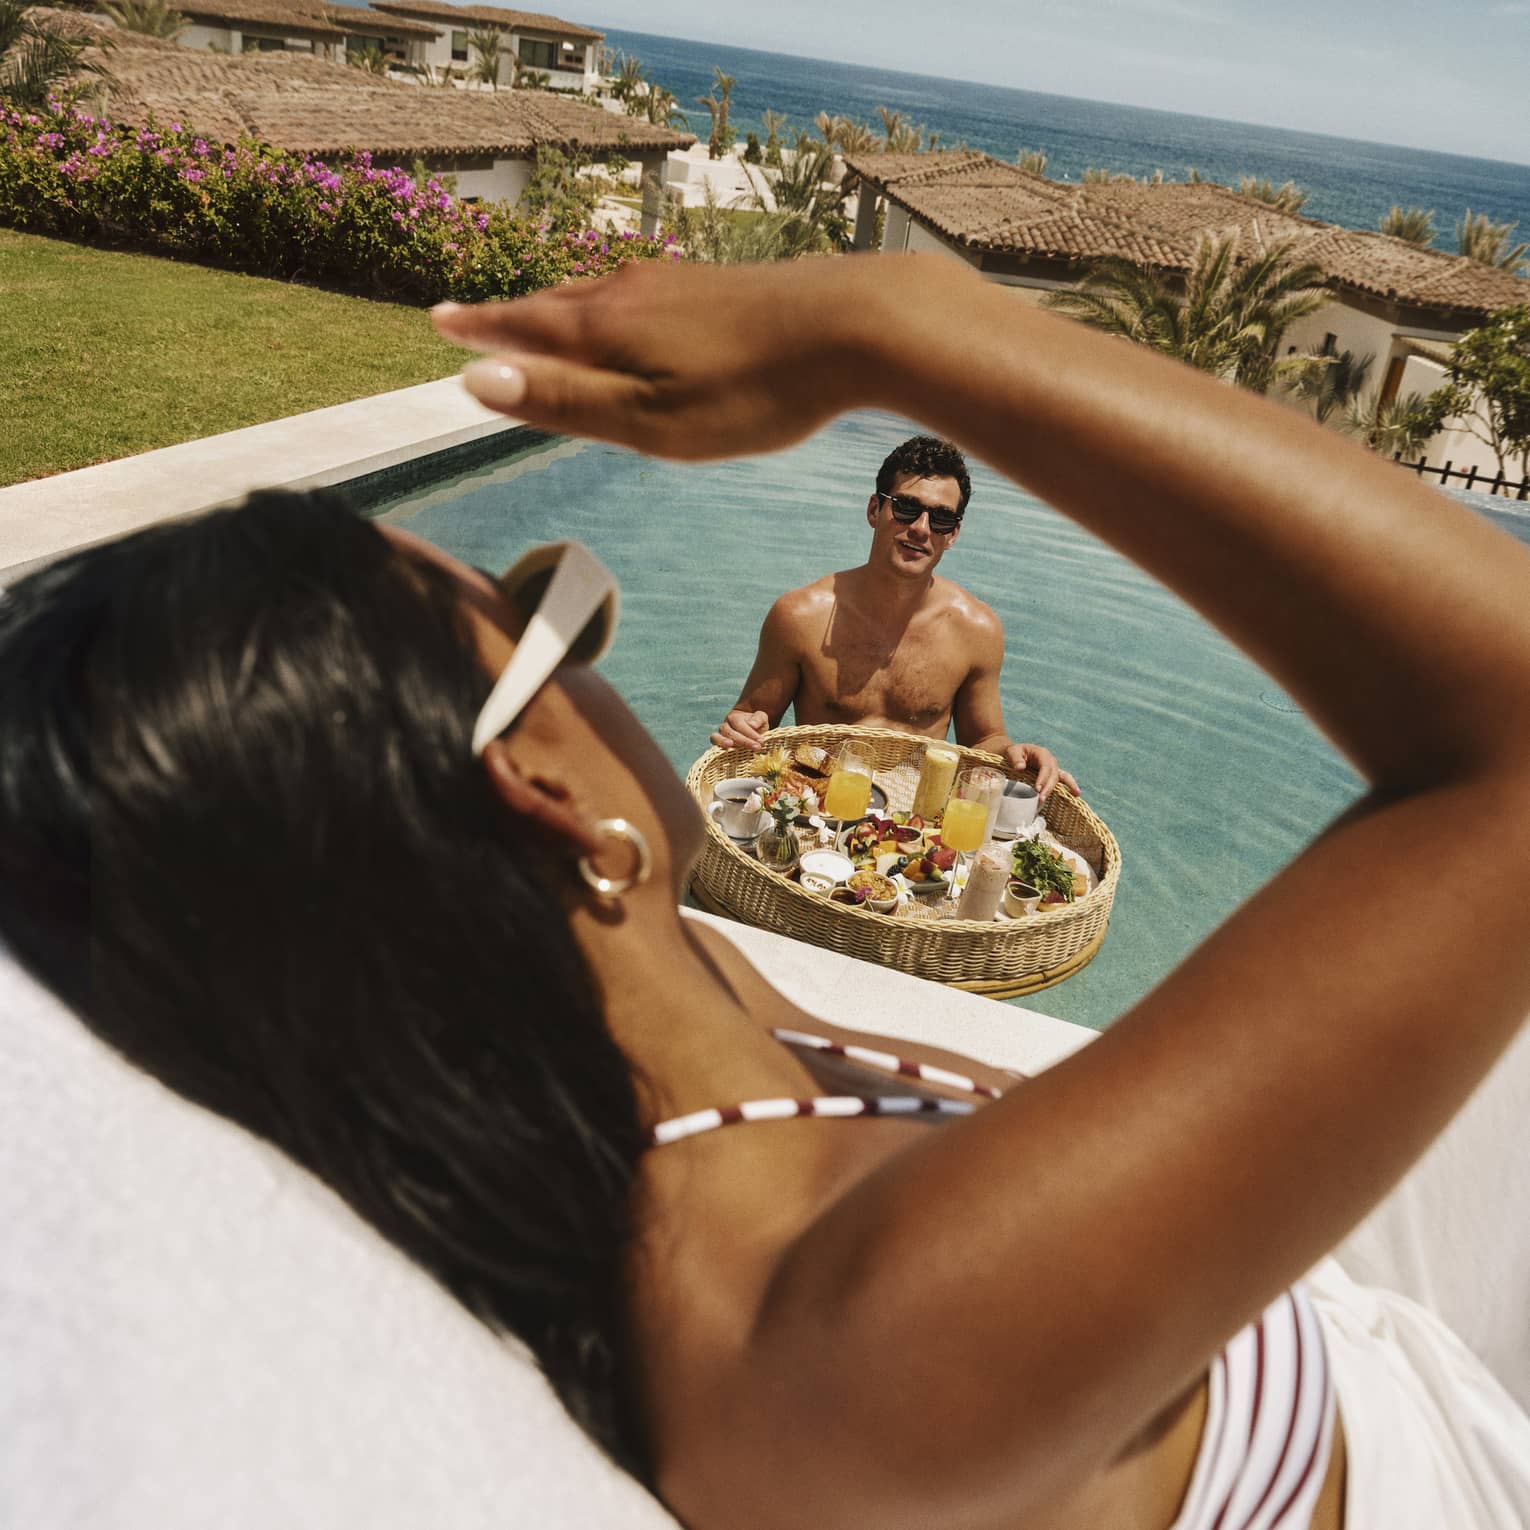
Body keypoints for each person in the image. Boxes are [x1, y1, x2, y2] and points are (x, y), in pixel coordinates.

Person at [3, 253, 1529, 1530]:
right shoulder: (863, 1336)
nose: (596, 649)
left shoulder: (658, 1042)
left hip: (1335, 1329)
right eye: (553, 618)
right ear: (544, 800)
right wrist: (897, 319)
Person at [708, 434, 1078, 798]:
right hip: (817, 811)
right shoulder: (801, 616)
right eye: (905, 508)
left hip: (918, 826)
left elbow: (983, 741)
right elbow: (753, 719)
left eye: (941, 519)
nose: (920, 528)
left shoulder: (976, 629)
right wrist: (742, 726)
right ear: (874, 510)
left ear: (953, 534)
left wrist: (1019, 756)